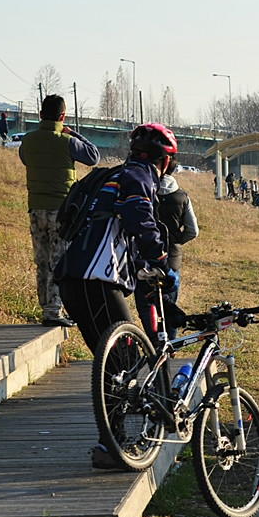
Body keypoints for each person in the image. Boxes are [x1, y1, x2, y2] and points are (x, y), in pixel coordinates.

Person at [55, 123, 176, 356]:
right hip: (96, 280)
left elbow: (120, 235)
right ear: (166, 161)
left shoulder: (113, 174)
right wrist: (161, 261)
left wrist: (144, 268)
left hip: (71, 277)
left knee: (113, 369)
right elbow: (140, 221)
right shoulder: (139, 176)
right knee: (128, 360)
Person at [19, 95, 101, 327]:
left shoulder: (28, 141)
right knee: (58, 260)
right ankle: (53, 312)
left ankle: (45, 307)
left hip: (35, 208)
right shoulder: (66, 141)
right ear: (62, 116)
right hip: (61, 211)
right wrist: (71, 132)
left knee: (41, 261)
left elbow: (25, 159)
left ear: (40, 114)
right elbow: (93, 156)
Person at [131, 170, 199, 344]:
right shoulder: (182, 197)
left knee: (146, 304)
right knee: (169, 306)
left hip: (145, 257)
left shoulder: (145, 194)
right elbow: (193, 231)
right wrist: (177, 241)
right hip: (172, 259)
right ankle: (171, 345)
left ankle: (154, 342)